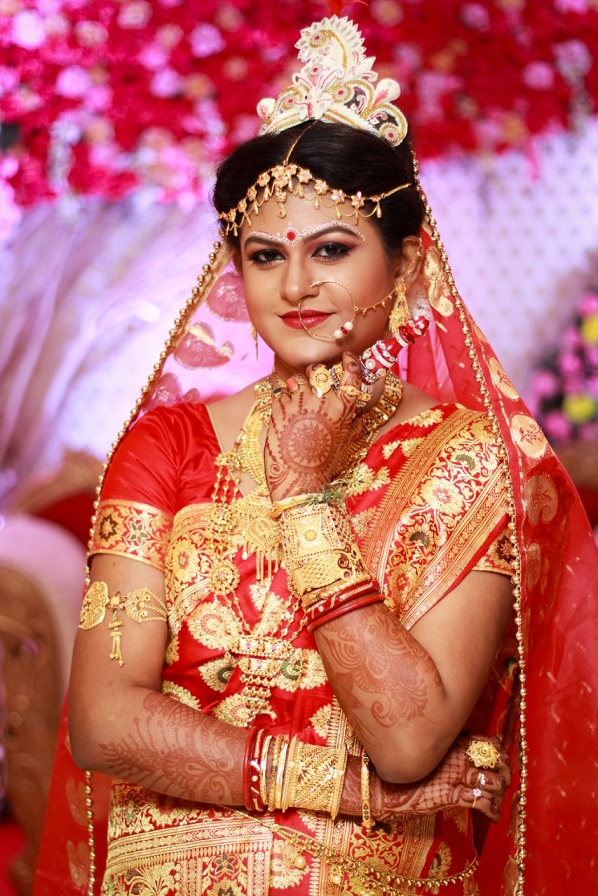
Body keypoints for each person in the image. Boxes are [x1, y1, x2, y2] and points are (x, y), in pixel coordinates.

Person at [34, 14, 598, 896]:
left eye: (332, 250)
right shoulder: (167, 446)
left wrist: (304, 502)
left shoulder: (472, 460)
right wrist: (351, 790)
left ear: (405, 265)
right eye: (266, 256)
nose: (296, 286)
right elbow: (104, 724)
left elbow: (408, 738)